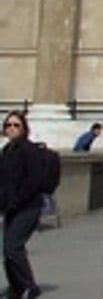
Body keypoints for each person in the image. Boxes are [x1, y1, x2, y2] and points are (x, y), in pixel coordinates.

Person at [1, 111, 43, 298]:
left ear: (24, 128)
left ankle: (30, 286)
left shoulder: (29, 150)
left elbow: (34, 181)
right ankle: (16, 286)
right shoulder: (6, 151)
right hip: (11, 207)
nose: (11, 129)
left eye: (16, 125)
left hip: (28, 207)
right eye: (8, 125)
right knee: (7, 249)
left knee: (13, 246)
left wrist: (17, 200)